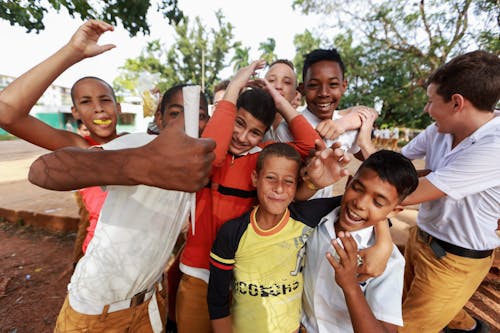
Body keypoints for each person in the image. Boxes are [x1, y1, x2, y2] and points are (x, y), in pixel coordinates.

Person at [22, 20, 216, 332]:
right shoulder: (135, 146)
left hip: (150, 302)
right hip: (96, 311)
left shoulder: (199, 164)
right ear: (159, 120)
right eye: (176, 114)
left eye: (198, 116)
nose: (187, 125)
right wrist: (141, 164)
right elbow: (42, 170)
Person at [175, 60, 323, 333]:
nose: (243, 137)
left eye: (255, 132)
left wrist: (279, 101)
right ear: (230, 117)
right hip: (198, 272)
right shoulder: (206, 149)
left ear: (264, 133)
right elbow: (215, 152)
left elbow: (311, 143)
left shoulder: (263, 158)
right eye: (238, 123)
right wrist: (234, 88)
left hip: (240, 277)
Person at [399, 50, 500, 333]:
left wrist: (364, 192)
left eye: (431, 102)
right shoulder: (439, 130)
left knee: (405, 328)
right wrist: (358, 133)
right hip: (420, 239)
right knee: (406, 304)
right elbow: (399, 164)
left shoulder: (494, 146)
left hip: (456, 261)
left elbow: (415, 192)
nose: (427, 110)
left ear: (457, 103)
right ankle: (471, 328)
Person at [207, 143, 349, 333]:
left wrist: (382, 242)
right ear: (255, 178)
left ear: (297, 183)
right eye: (271, 178)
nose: (279, 189)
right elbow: (217, 302)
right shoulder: (233, 232)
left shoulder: (305, 217)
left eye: (288, 181)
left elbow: (360, 203)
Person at [302, 150, 419, 333]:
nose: (360, 203)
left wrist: (351, 286)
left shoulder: (389, 263)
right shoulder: (314, 221)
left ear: (393, 211)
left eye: (378, 203)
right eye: (357, 188)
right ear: (348, 183)